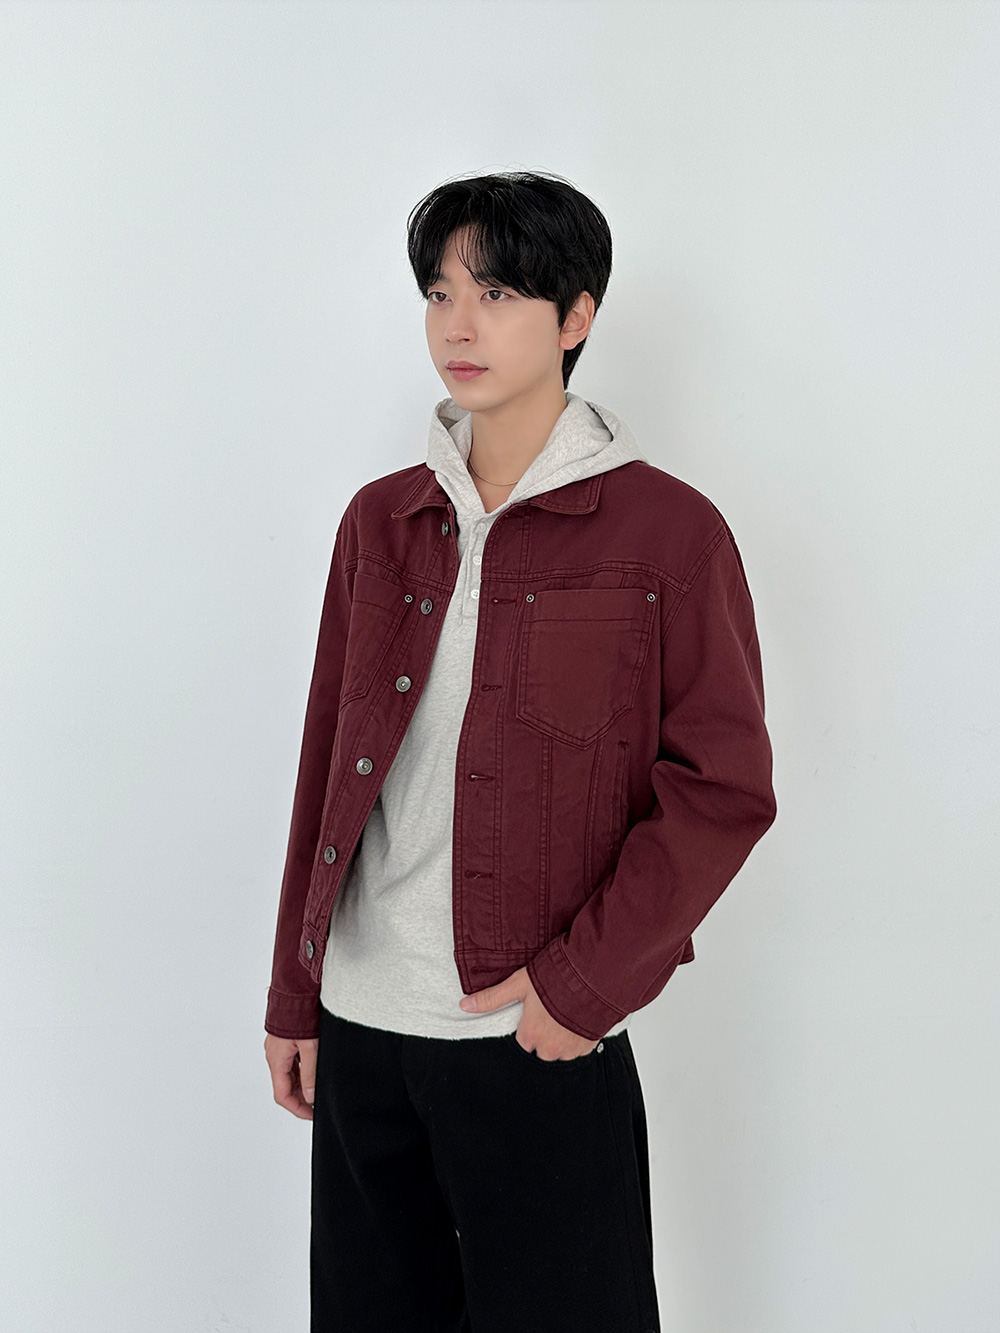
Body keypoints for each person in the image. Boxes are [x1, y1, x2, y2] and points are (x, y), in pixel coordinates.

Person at [263, 169, 777, 1333]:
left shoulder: (670, 533)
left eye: (495, 293)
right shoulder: (380, 520)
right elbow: (326, 760)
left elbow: (722, 789)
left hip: (535, 1038)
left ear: (575, 315)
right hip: (362, 1032)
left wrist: (583, 988)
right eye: (439, 293)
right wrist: (297, 990)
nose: (459, 324)